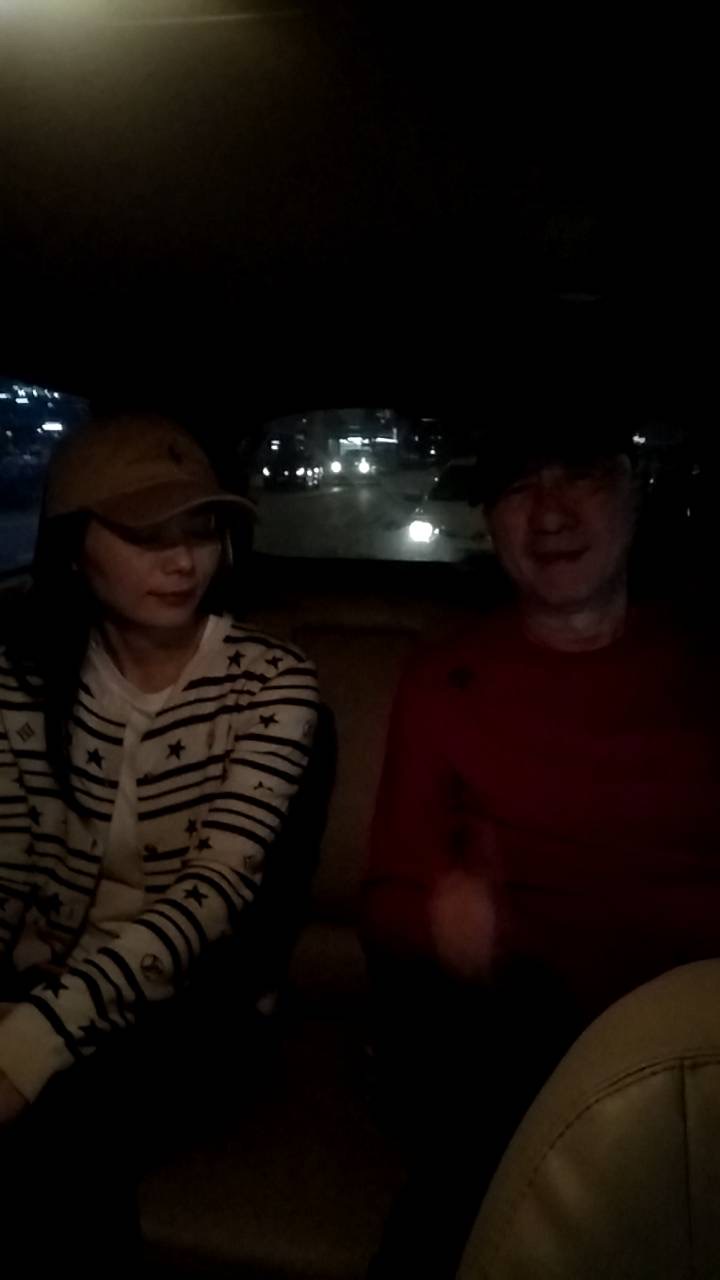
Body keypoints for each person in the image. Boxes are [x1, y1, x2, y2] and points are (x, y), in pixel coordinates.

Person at [362, 404, 720, 1277]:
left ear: (635, 491)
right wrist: (447, 924)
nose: (551, 513)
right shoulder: (444, 677)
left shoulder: (705, 666)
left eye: (581, 476)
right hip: (504, 1033)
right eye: (520, 487)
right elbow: (389, 895)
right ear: (491, 520)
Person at [0, 413, 319, 1266]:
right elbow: (8, 860)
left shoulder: (271, 684)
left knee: (59, 1148)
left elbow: (214, 893)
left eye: (202, 530)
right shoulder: (26, 676)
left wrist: (37, 1037)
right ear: (74, 548)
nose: (183, 563)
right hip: (44, 979)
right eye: (147, 535)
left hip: (195, 1006)